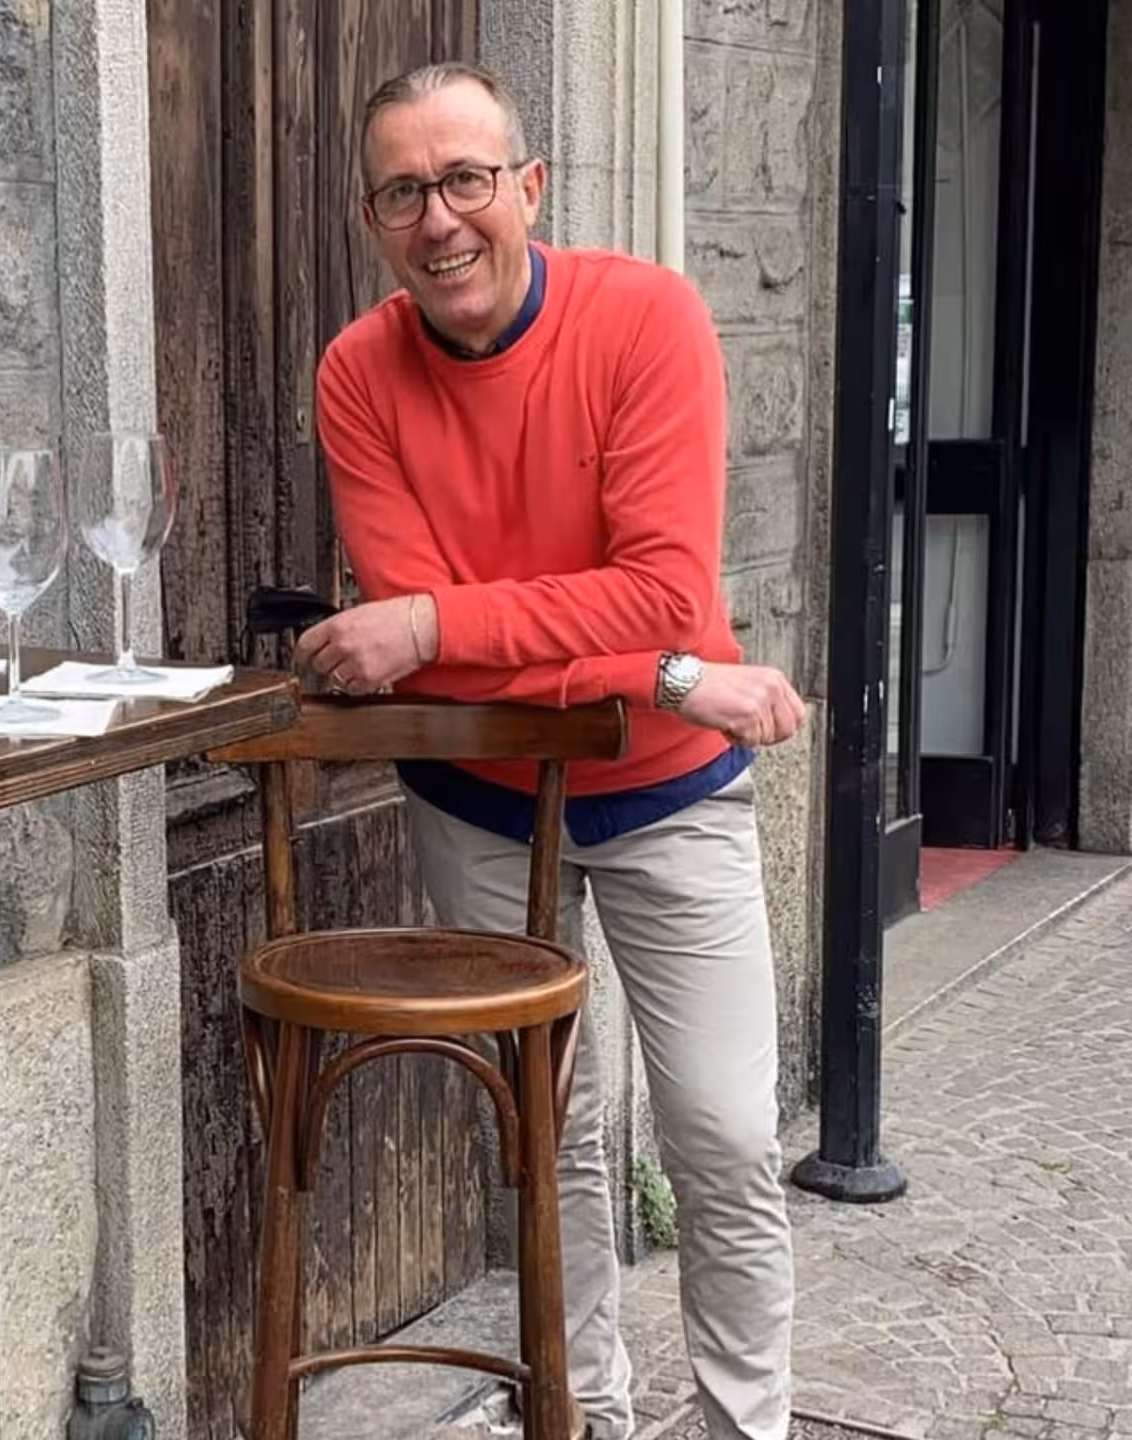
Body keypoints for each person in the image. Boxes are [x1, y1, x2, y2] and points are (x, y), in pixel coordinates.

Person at [293, 61, 805, 1440]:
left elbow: (644, 585)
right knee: (544, 1141)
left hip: (666, 791)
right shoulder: (358, 371)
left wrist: (440, 623)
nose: (440, 218)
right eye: (404, 192)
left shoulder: (646, 321)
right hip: (478, 799)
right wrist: (672, 671)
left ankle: (743, 1425)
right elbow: (465, 652)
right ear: (371, 218)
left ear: (530, 187)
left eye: (465, 179)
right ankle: (581, 1421)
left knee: (725, 1137)